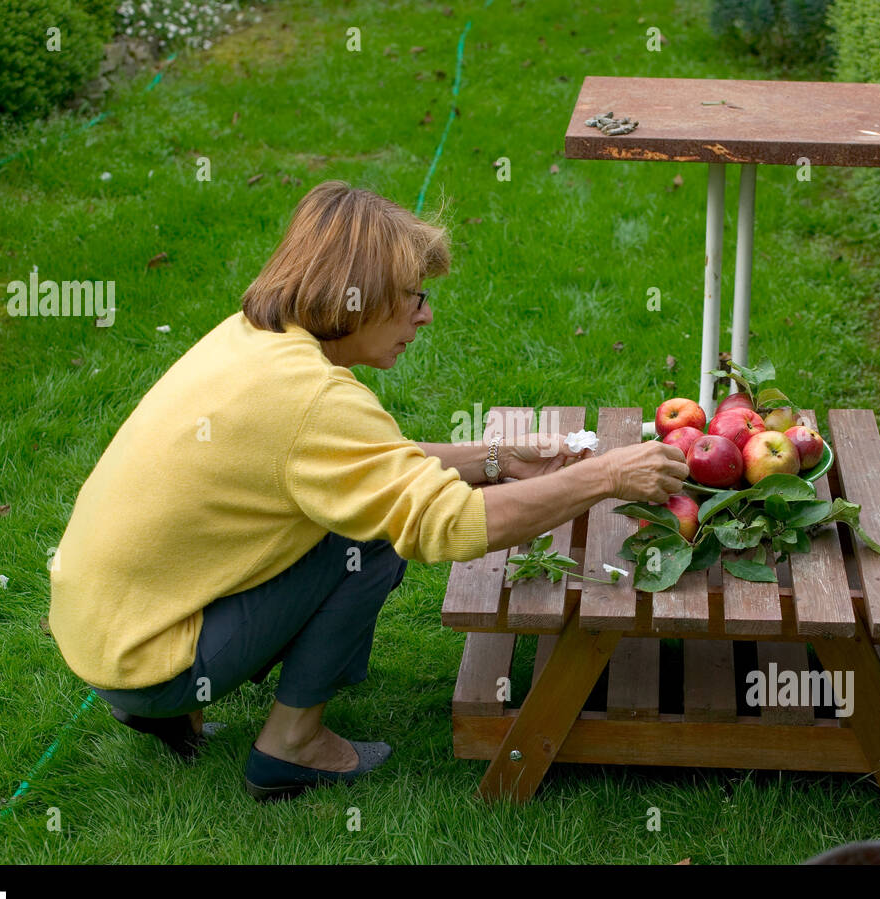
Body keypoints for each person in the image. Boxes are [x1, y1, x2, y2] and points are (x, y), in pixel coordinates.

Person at [47, 180, 688, 801]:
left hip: (102, 630)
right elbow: (449, 525)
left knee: (358, 515)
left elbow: (345, 465)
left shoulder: (253, 339)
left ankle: (163, 709)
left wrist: (493, 458)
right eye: (412, 296)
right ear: (360, 298)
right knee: (371, 539)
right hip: (148, 659)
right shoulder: (313, 399)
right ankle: (290, 743)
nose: (426, 315)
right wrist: (605, 475)